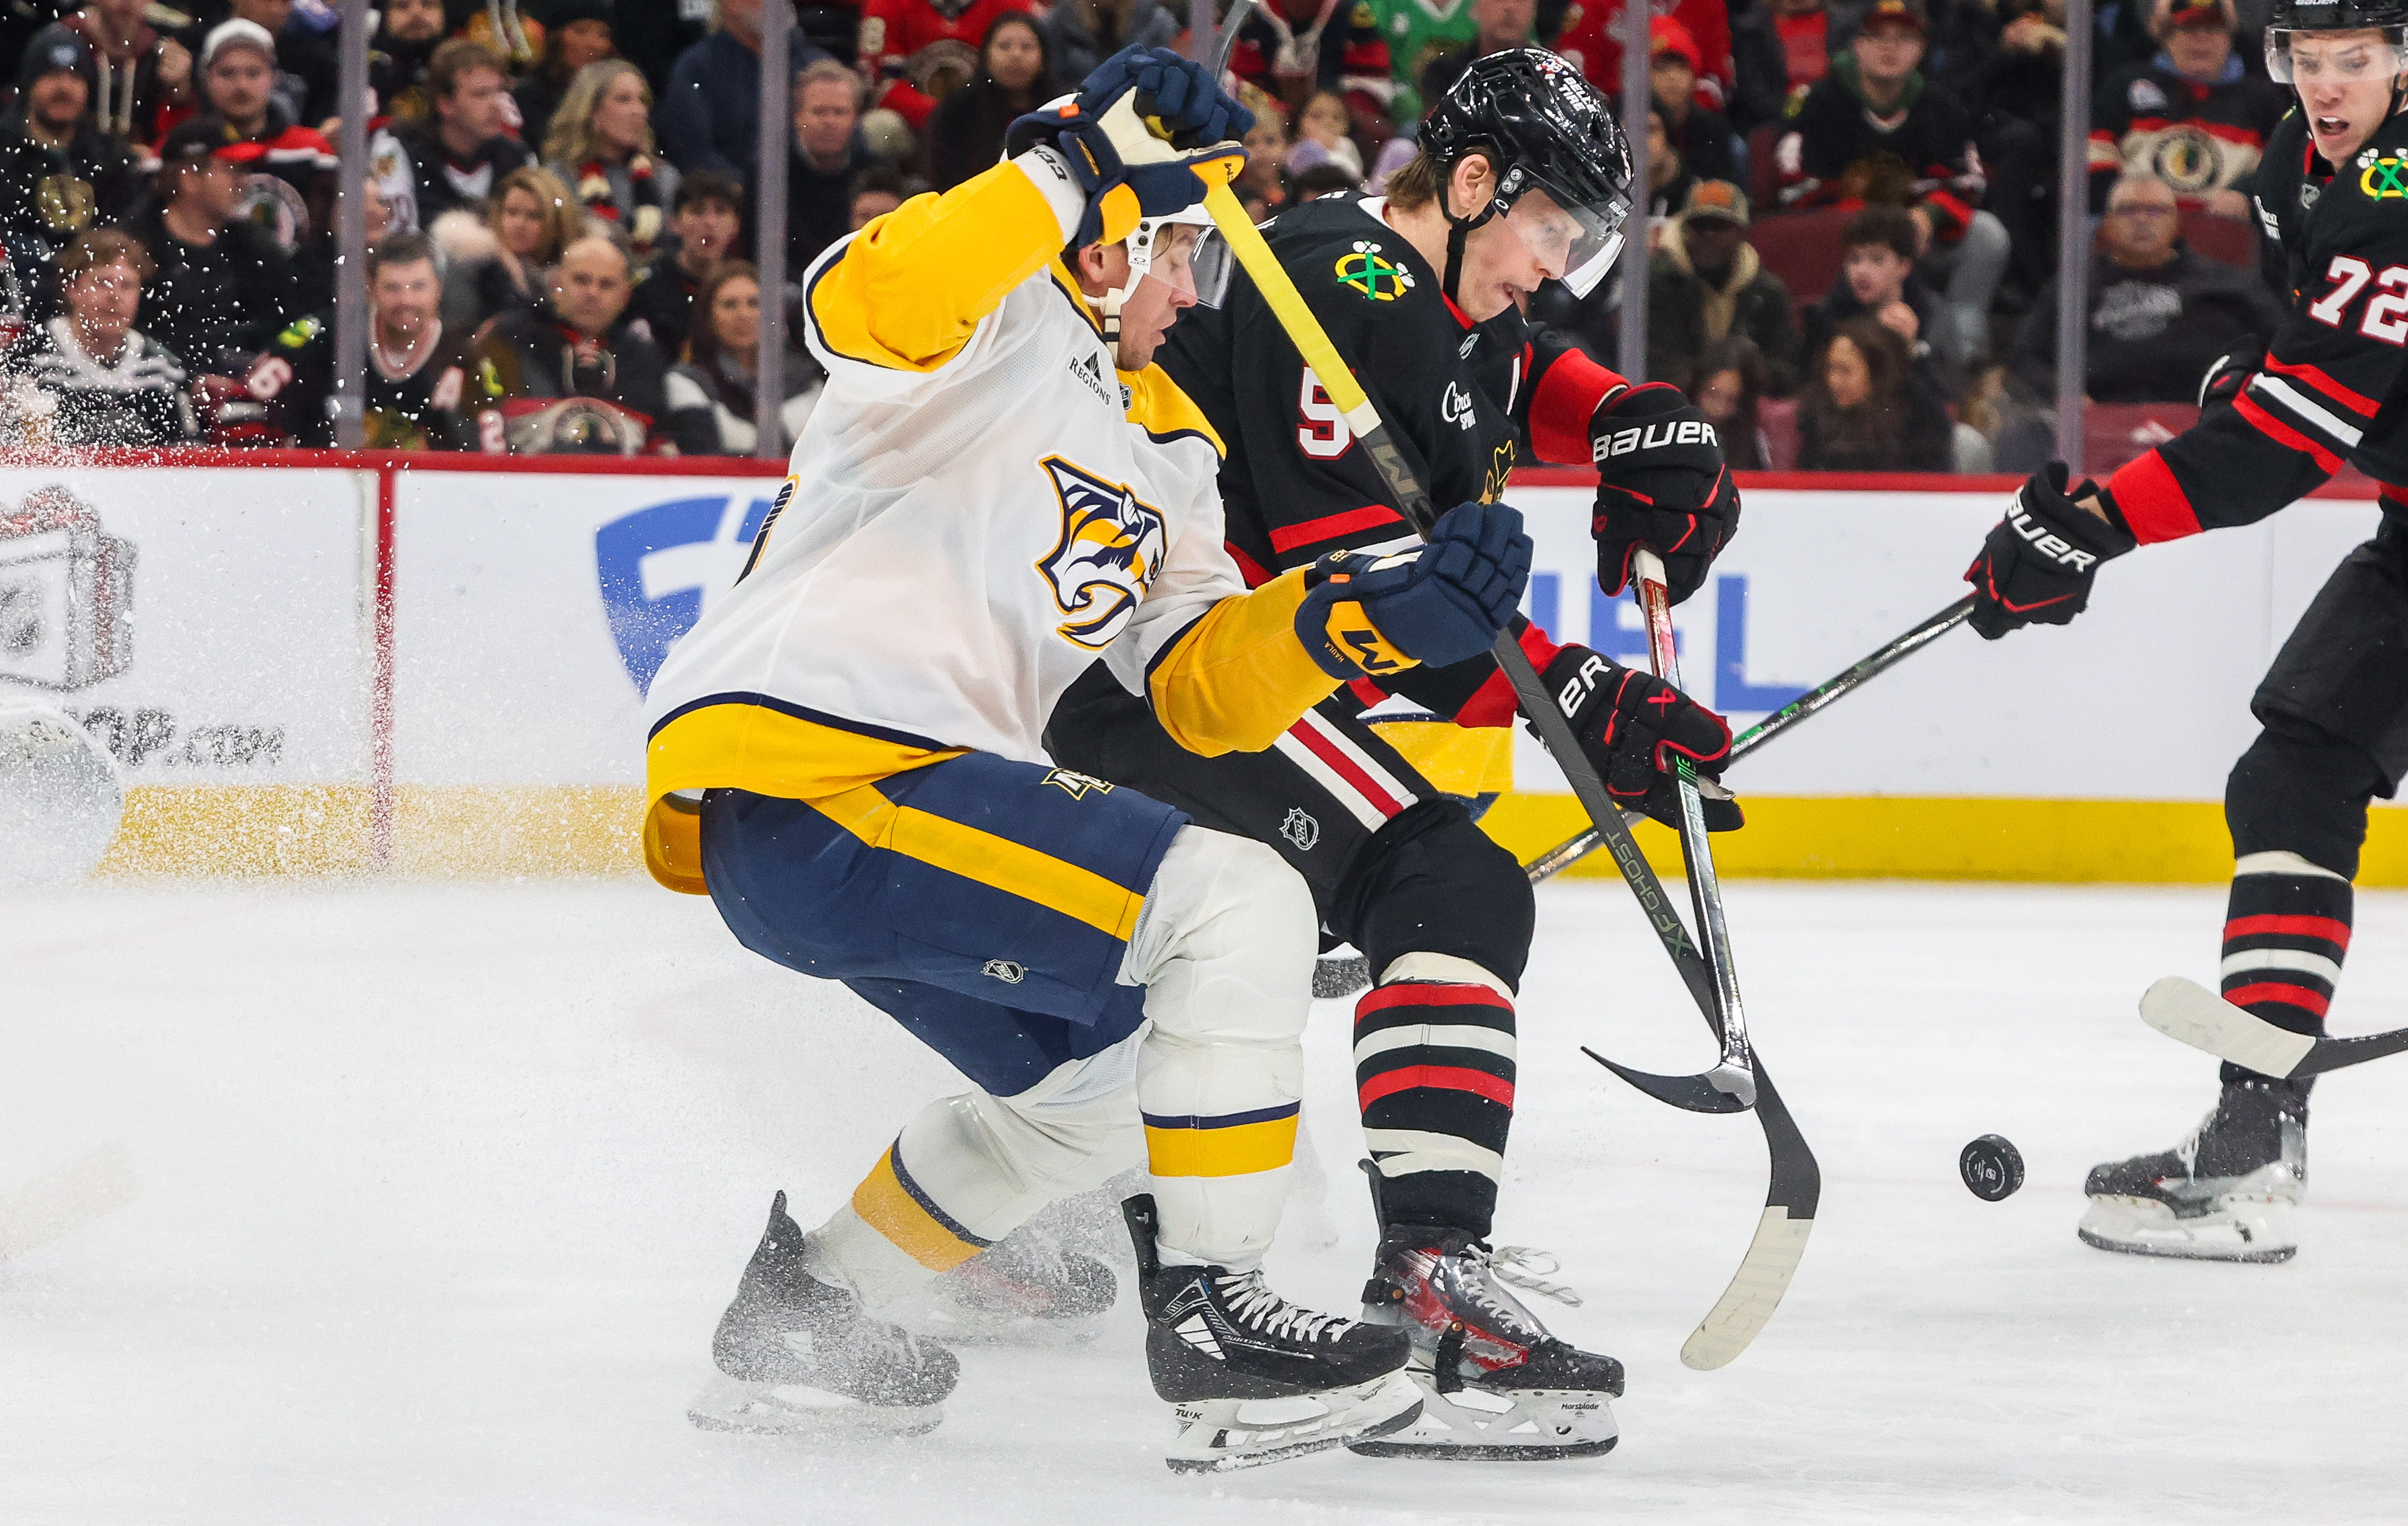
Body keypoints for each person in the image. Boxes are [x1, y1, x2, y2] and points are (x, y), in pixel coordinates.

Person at [649, 46, 1471, 1466]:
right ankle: (1214, 1321)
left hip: (894, 809)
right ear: (1110, 248)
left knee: (1110, 1088)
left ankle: (811, 1307)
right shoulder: (997, 321)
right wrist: (1071, 160)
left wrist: (1355, 617)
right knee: (1238, 900)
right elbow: (860, 296)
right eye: (1179, 259)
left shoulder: (1167, 445)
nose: (1191, 293)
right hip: (812, 770)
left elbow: (1203, 689)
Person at [1050, 48, 1736, 1459]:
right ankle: (1430, 1291)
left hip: (1224, 665)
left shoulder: (1418, 287)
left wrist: (1623, 418)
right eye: (1549, 231)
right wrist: (1590, 695)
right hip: (1162, 682)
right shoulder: (1342, 283)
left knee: (1421, 893)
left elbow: (1500, 366)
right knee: (1449, 882)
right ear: (1474, 184)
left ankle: (1028, 1210)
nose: (1553, 267)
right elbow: (1386, 599)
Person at [1962, 0, 2408, 1265]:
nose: (2329, 88)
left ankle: (2257, 1131)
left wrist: (2092, 525)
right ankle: (2255, 1130)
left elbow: (2292, 440)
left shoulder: (2394, 186)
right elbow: (2338, 389)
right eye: (2308, 63)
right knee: (2294, 774)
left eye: (2358, 63)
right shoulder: (2289, 173)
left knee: (2297, 774)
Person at [1779, 0, 2009, 370]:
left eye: (1904, 37)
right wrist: (1872, 229)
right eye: (1877, 36)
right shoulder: (1822, 103)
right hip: (1847, 247)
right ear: (1856, 45)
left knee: (1988, 235)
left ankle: (1964, 352)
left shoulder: (1940, 104)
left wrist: (1929, 215)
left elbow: (1969, 181)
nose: (1890, 48)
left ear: (1920, 48)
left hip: (1918, 240)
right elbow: (1796, 185)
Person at [2009, 172, 2286, 404]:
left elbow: (2283, 341)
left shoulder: (2228, 283)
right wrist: (2067, 398)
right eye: (2128, 210)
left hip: (2206, 417)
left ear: (2177, 224)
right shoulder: (2074, 289)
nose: (2142, 220)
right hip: (2101, 418)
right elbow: (2026, 356)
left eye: (2155, 211)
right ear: (2106, 224)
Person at [246, 231, 490, 448]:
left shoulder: (467, 359)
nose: (406, 300)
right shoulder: (323, 336)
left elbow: (493, 461)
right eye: (392, 288)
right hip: (321, 488)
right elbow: (248, 407)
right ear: (370, 288)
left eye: (418, 287)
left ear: (439, 290)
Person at [2087, 0, 2290, 219]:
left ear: (2229, 39)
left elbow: (2282, 166)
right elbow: (2095, 149)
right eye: (2189, 29)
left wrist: (2247, 196)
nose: (2201, 40)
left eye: (2213, 30)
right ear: (2167, 39)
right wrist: (2119, 195)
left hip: (2225, 234)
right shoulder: (2127, 84)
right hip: (2138, 224)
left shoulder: (2262, 99)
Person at [129, 120, 298, 374]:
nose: (242, 181)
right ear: (189, 180)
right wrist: (189, 380)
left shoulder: (256, 248)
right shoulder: (134, 248)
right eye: (230, 170)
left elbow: (286, 323)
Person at [472, 231, 667, 450]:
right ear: (556, 286)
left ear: (624, 297)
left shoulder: (643, 356)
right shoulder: (510, 338)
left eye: (606, 285)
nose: (592, 293)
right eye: (581, 280)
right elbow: (476, 420)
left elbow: (656, 440)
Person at [0, 25, 144, 321]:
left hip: (91, 299)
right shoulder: (4, 151)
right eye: (51, 75)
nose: (64, 88)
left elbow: (122, 234)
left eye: (75, 77)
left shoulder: (111, 158)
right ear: (29, 83)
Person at [0, 228, 194, 446]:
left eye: (127, 285)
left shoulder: (163, 368)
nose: (115, 296)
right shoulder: (29, 360)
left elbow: (185, 456)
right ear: (71, 288)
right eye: (102, 282)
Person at [190, 20, 339, 264]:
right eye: (227, 73)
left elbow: (328, 236)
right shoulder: (185, 150)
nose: (241, 86)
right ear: (206, 79)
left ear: (273, 78)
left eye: (254, 73)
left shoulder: (311, 149)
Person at [1647, 179, 1802, 394]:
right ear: (1684, 231)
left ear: (1742, 233)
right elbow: (1655, 369)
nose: (1709, 236)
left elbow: (1791, 373)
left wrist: (1755, 368)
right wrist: (1711, 371)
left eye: (1721, 226)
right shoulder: (1660, 285)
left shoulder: (1768, 293)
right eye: (1699, 226)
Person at [658, 0, 833, 184]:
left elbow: (853, 150)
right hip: (727, 201)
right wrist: (750, 193)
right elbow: (693, 152)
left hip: (816, 197)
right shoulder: (696, 69)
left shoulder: (820, 68)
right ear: (732, 3)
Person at [658, 260, 818, 455]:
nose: (743, 314)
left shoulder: (810, 378)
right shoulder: (688, 381)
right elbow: (703, 457)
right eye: (730, 305)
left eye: (754, 303)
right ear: (709, 317)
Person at [1805, 203, 1960, 403]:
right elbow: (1813, 392)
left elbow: (1941, 403)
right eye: (1854, 260)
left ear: (1904, 267)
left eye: (1877, 260)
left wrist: (1912, 351)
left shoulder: (1933, 316)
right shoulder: (1827, 317)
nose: (1861, 271)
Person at [543, 59, 679, 275]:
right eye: (624, 100)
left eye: (642, 101)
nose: (639, 111)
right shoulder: (557, 177)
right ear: (591, 111)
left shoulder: (665, 177)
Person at [394, 39, 531, 225]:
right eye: (481, 94)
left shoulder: (518, 156)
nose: (496, 105)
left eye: (499, 92)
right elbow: (395, 234)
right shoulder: (400, 147)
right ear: (445, 104)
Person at [1795, 315, 1950, 469]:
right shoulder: (1816, 414)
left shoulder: (1919, 415)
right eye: (1831, 368)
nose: (1833, 380)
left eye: (1845, 371)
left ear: (1877, 374)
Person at [924, 11, 1055, 191]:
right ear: (986, 56)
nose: (1015, 55)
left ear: (1043, 59)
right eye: (1004, 46)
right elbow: (945, 175)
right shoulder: (959, 109)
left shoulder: (1057, 110)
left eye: (1026, 47)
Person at [448, 164, 583, 331]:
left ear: (556, 223)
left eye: (534, 216)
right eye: (512, 212)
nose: (519, 224)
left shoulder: (579, 275)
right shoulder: (479, 270)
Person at [626, 169, 742, 362]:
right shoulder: (647, 291)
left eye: (721, 211)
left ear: (736, 226)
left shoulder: (746, 288)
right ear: (674, 224)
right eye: (697, 211)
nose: (710, 223)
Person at [786, 59, 877, 275]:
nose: (830, 121)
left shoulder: (872, 171)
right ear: (798, 117)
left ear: (855, 118)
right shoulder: (770, 174)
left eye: (839, 112)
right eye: (819, 112)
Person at [61, 0, 193, 145]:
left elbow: (178, 137)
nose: (127, 2)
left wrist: (180, 91)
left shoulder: (160, 48)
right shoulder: (65, 40)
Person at [1649, 16, 1740, 187]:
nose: (1673, 77)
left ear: (1694, 76)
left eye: (1682, 68)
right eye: (1662, 68)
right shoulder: (1627, 123)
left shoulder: (1712, 129)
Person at [515, 0, 616, 149]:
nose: (596, 44)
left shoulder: (617, 95)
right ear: (555, 38)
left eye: (604, 34)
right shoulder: (530, 94)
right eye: (581, 31)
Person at [1038, 0, 1177, 85]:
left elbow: (1163, 74)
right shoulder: (1059, 20)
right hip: (1076, 107)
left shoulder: (1157, 21)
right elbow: (1053, 77)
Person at [1684, 335, 1772, 470]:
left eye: (1731, 400)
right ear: (1697, 388)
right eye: (1713, 394)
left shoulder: (1752, 442)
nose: (1719, 408)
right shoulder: (1671, 432)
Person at [368, 0, 448, 125]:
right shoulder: (361, 72)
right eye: (402, 6)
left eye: (428, 5)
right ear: (384, 15)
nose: (417, 13)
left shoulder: (462, 69)